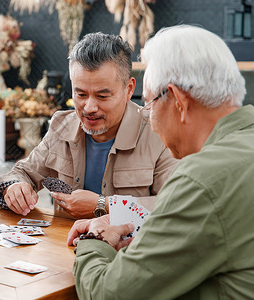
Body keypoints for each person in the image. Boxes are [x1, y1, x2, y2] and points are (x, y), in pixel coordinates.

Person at [68, 24, 254, 299]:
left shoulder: (201, 179)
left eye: (150, 105)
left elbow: (109, 294)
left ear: (178, 100)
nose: (150, 122)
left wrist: (95, 239)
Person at [0, 32, 177, 219]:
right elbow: (22, 172)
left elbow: (174, 205)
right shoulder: (61, 125)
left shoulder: (158, 132)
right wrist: (15, 187)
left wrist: (104, 205)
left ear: (129, 89)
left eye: (102, 96)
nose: (89, 108)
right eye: (80, 94)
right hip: (63, 244)